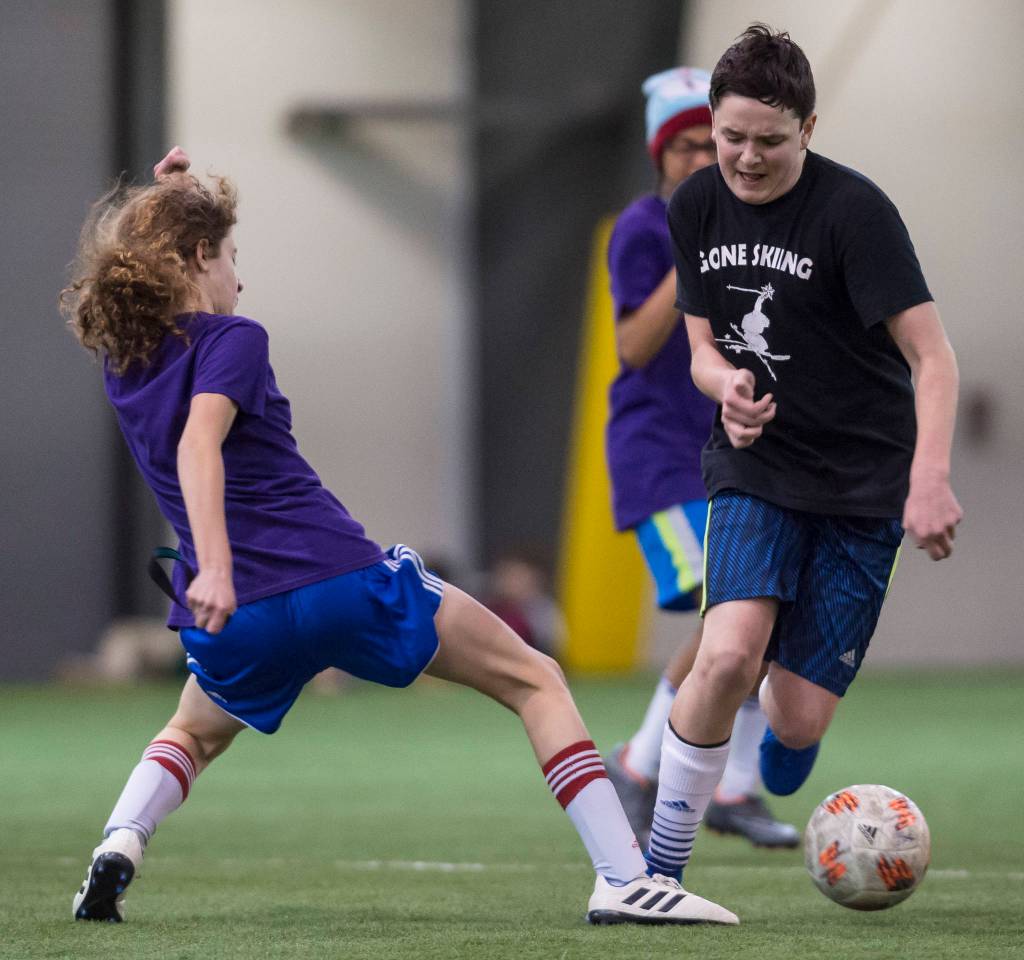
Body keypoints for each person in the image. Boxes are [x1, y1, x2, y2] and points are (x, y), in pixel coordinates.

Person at [61, 148, 737, 926]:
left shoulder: (126, 364)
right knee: (534, 678)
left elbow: (178, 318)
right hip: (334, 580)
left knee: (192, 729)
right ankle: (624, 878)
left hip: (236, 620)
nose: (239, 281)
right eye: (231, 257)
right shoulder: (235, 339)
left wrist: (175, 196)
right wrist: (213, 563)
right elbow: (198, 444)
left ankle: (120, 842)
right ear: (196, 257)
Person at [644, 24, 962, 903]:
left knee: (794, 720)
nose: (747, 158)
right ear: (712, 124)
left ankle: (790, 730)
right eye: (731, 137)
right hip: (757, 465)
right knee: (724, 656)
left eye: (770, 141)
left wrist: (929, 478)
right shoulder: (695, 206)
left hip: (864, 482)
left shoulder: (856, 214)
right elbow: (701, 348)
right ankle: (656, 870)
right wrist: (726, 388)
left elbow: (933, 357)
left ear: (808, 129)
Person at [603, 67, 798, 850]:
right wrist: (696, 253)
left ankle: (734, 787)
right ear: (660, 154)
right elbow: (632, 344)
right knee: (733, 605)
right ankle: (639, 764)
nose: (697, 158)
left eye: (704, 143)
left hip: (737, 452)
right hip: (662, 457)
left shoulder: (752, 226)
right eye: (681, 146)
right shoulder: (644, 229)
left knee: (764, 611)